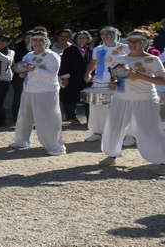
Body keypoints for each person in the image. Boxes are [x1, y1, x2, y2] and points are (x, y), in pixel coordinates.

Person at [100, 29, 165, 169]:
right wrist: (113, 83)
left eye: (137, 41)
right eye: (130, 40)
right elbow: (116, 76)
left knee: (150, 130)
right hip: (121, 98)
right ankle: (112, 155)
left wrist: (140, 76)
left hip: (145, 99)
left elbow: (163, 80)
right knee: (113, 127)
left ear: (145, 43)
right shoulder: (121, 58)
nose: (133, 43)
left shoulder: (153, 59)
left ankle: (162, 160)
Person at [10, 30, 66, 155]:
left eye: (41, 40)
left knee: (47, 119)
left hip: (46, 91)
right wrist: (22, 73)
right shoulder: (28, 55)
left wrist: (34, 69)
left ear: (46, 42)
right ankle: (22, 141)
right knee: (24, 116)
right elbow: (24, 72)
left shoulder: (52, 55)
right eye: (35, 40)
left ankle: (56, 147)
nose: (37, 43)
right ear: (30, 42)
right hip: (29, 89)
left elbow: (52, 75)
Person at [84, 27, 127, 143]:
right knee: (96, 108)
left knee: (119, 109)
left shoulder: (125, 48)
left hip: (120, 83)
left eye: (109, 33)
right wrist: (88, 74)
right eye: (102, 33)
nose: (105, 35)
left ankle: (121, 134)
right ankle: (97, 132)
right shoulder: (98, 49)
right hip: (99, 82)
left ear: (117, 34)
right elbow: (93, 62)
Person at [58, 31, 90, 124]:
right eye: (79, 38)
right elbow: (65, 65)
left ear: (87, 39)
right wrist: (65, 78)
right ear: (75, 39)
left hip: (86, 78)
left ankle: (89, 118)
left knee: (88, 98)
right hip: (72, 77)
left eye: (84, 38)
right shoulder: (69, 50)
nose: (82, 40)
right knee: (71, 97)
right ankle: (72, 117)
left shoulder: (90, 51)